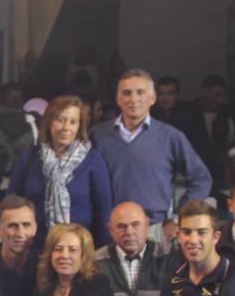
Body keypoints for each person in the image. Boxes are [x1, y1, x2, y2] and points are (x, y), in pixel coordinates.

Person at [91, 69, 212, 243]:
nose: (133, 99)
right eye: (127, 93)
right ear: (118, 99)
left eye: (140, 92)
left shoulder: (170, 136)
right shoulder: (98, 134)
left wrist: (178, 218)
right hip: (110, 231)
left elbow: (201, 178)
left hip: (155, 231)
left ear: (152, 98)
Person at [7, 95, 113, 249]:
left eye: (73, 122)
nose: (66, 128)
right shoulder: (29, 158)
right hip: (35, 248)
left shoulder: (93, 159)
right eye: (60, 120)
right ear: (49, 122)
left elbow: (103, 208)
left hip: (79, 249)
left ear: (79, 126)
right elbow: (12, 202)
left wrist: (103, 250)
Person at [194, 75, 235, 185]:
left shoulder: (226, 119)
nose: (220, 99)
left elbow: (229, 146)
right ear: (204, 92)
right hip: (193, 176)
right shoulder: (189, 115)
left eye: (222, 96)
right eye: (217, 94)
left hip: (218, 177)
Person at [151, 75, 208, 153]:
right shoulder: (151, 114)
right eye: (161, 93)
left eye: (170, 93)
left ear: (178, 95)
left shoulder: (190, 114)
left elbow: (201, 145)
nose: (165, 98)